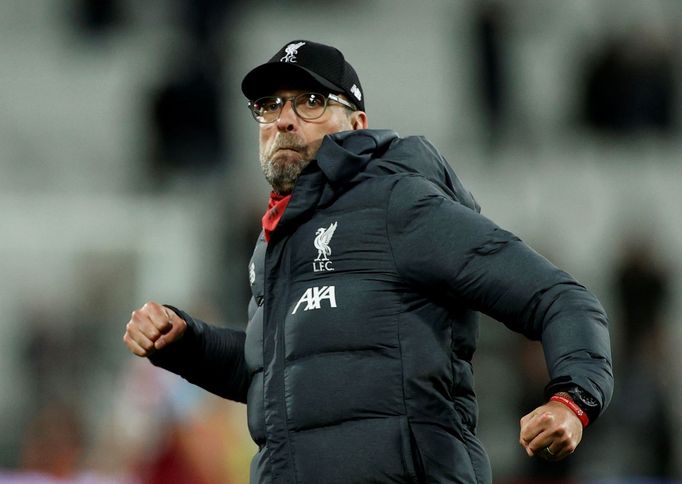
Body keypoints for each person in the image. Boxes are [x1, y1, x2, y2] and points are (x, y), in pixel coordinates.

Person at [123, 40, 614, 483]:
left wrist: (572, 400)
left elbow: (561, 299)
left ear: (357, 124)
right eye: (270, 105)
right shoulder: (276, 240)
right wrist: (186, 343)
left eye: (311, 102)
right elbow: (274, 370)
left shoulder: (399, 205)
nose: (284, 119)